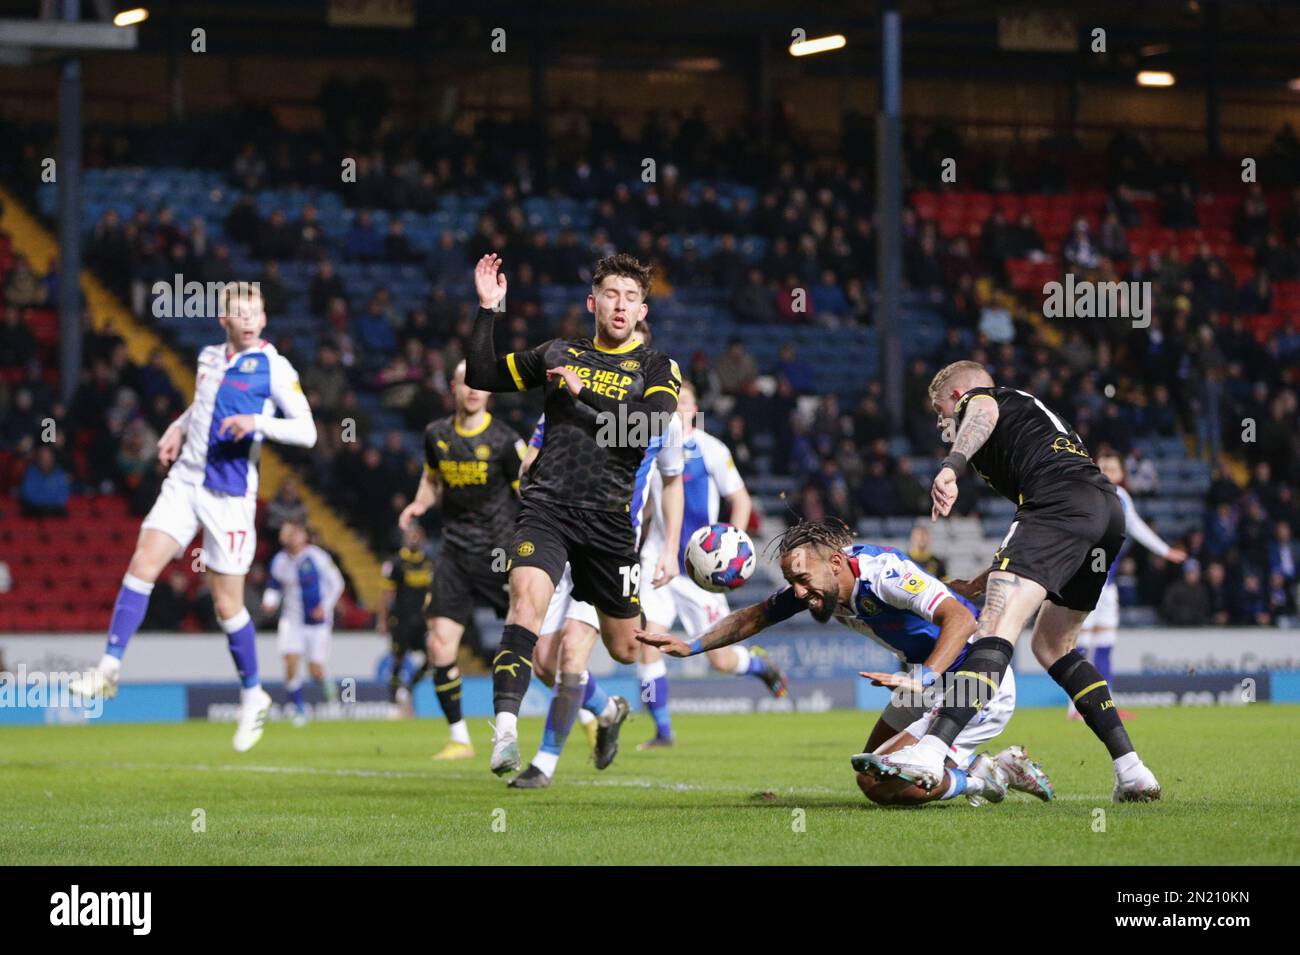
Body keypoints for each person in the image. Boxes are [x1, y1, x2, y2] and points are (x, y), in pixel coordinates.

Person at [865, 361, 1160, 802]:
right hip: (1104, 514)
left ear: (957, 392)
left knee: (992, 629)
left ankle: (931, 749)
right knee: (1052, 646)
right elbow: (1041, 543)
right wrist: (986, 579)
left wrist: (950, 467)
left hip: (1059, 505)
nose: (941, 419)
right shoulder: (1028, 423)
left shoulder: (984, 399)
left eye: (940, 407)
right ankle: (1132, 770)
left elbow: (980, 411)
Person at [637, 519, 1054, 807]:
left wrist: (925, 676)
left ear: (835, 562)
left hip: (973, 680)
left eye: (803, 581)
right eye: (792, 583)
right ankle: (972, 768)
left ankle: (988, 778)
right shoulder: (823, 583)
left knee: (877, 784)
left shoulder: (883, 574)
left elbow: (961, 619)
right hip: (924, 679)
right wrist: (690, 647)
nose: (799, 593)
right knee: (875, 766)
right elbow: (754, 616)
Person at [72, 285, 317, 752]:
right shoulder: (208, 357)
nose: (248, 319)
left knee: (227, 605)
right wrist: (177, 426)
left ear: (264, 320)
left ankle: (253, 695)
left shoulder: (275, 367)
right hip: (185, 481)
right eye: (239, 312)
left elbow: (305, 431)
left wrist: (257, 424)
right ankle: (108, 668)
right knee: (144, 561)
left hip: (230, 496)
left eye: (255, 312)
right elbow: (202, 404)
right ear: (223, 318)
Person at [465, 252, 682, 776]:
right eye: (611, 294)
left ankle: (609, 709)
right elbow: (482, 373)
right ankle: (506, 733)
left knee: (627, 649)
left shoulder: (657, 367)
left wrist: (587, 399)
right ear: (592, 302)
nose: (620, 305)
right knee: (525, 607)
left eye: (631, 298)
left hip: (610, 523)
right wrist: (488, 310)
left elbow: (651, 423)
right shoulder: (559, 352)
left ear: (643, 312)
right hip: (548, 509)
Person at [636, 379, 787, 750]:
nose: (679, 409)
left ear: (695, 409)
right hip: (658, 559)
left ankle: (758, 664)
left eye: (685, 402)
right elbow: (650, 501)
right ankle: (663, 732)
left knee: (719, 660)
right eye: (673, 403)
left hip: (700, 569)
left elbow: (740, 499)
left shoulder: (711, 449)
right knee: (647, 644)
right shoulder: (652, 445)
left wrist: (731, 544)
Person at [397, 360, 526, 760]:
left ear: (489, 391)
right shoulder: (436, 435)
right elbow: (432, 480)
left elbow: (528, 492)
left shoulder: (505, 441)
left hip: (500, 553)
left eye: (480, 383)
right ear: (451, 387)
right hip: (454, 552)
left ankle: (588, 707)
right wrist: (419, 504)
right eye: (465, 382)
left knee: (539, 646)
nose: (473, 389)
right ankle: (459, 738)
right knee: (439, 644)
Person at [1074, 451, 1187, 717]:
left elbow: (1137, 528)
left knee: (1105, 642)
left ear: (1122, 474)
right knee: (1080, 644)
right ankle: (1076, 706)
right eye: (1103, 467)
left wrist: (1165, 551)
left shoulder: (1123, 499)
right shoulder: (1084, 495)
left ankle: (1105, 704)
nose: (1108, 472)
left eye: (1113, 468)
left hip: (1108, 585)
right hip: (1084, 581)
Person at [262, 518, 344, 726]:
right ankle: (298, 708)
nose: (289, 537)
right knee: (290, 661)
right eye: (286, 533)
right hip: (292, 620)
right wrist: (269, 601)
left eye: (293, 533)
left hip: (318, 623)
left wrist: (325, 607)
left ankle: (331, 693)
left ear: (302, 536)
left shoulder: (317, 557)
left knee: (315, 671)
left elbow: (337, 583)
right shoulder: (279, 561)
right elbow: (274, 586)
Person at [377, 522, 436, 715]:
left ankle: (410, 686)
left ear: (422, 538)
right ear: (404, 538)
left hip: (422, 620)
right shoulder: (395, 563)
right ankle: (393, 697)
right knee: (398, 658)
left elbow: (434, 591)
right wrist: (382, 619)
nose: (414, 538)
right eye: (410, 535)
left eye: (417, 535)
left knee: (432, 657)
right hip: (401, 619)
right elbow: (387, 593)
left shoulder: (429, 561)